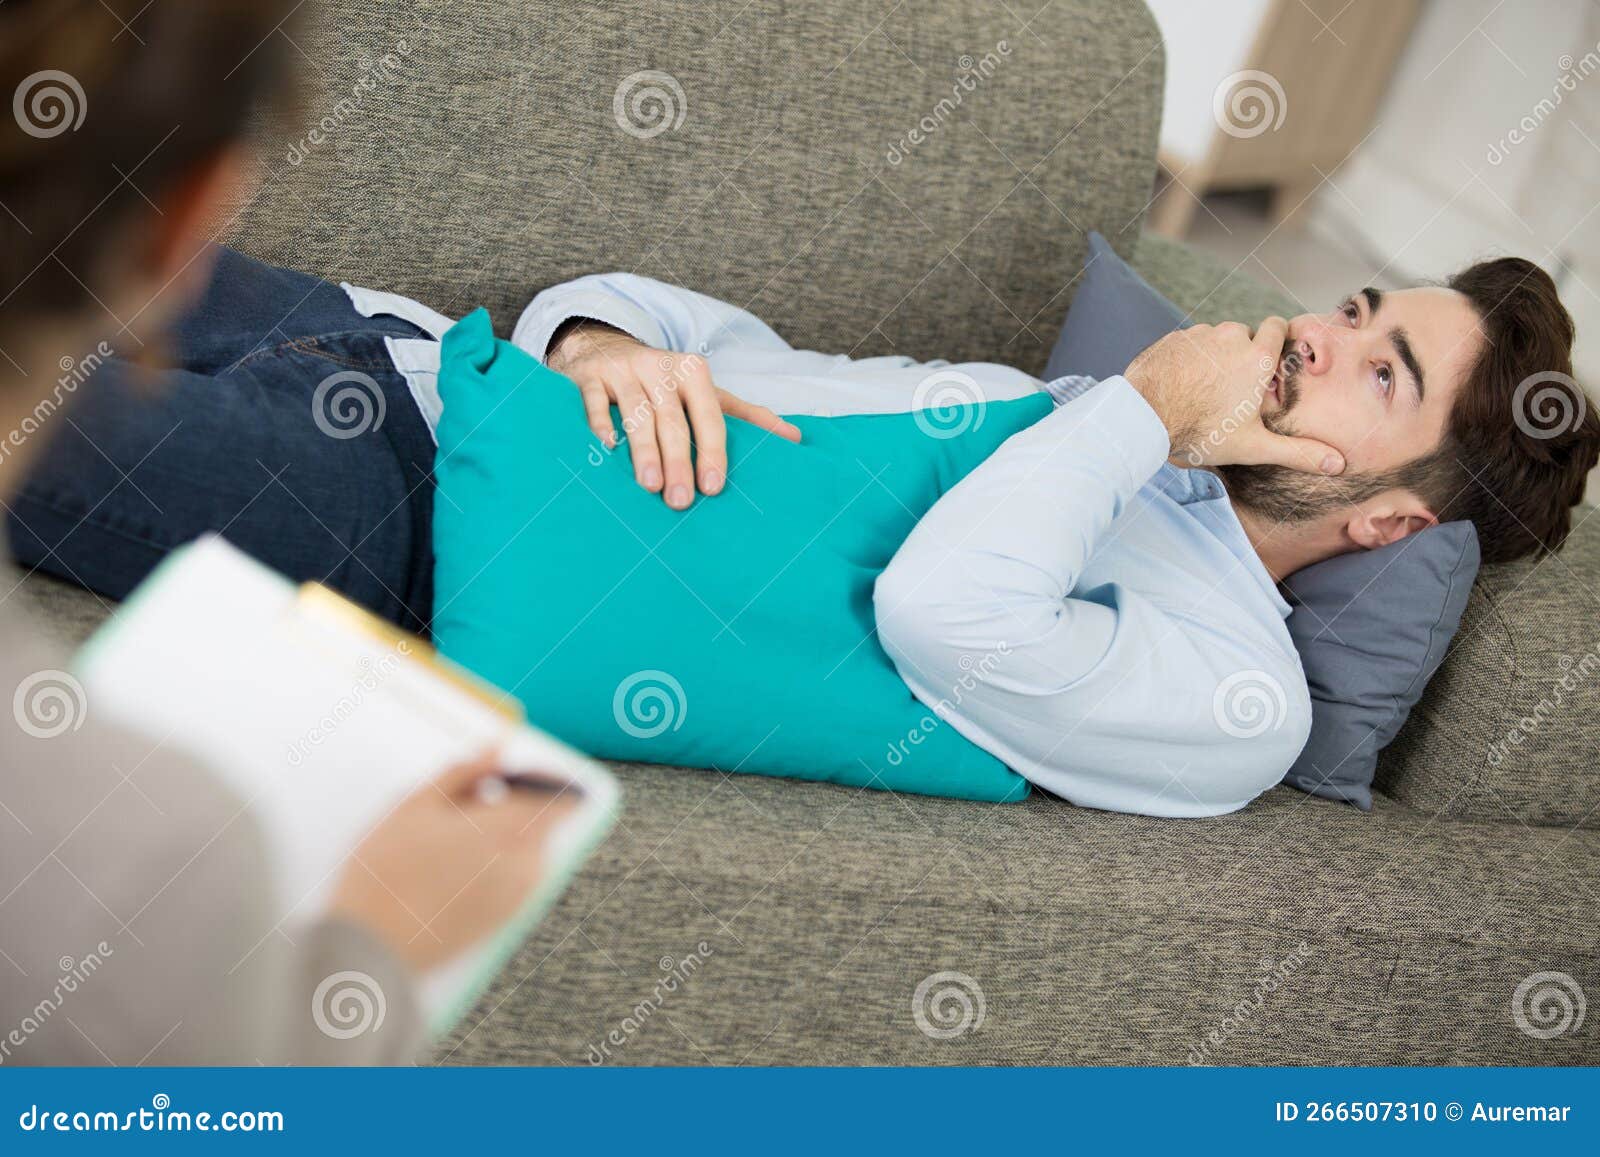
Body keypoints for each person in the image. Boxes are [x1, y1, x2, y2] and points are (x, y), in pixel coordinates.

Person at [15, 250, 1598, 818]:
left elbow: (943, 619)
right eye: (1355, 308)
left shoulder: (1233, 699)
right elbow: (715, 335)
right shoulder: (1060, 420)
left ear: (1397, 515)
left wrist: (1145, 412)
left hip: (394, 515)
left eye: (1379, 369)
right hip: (403, 350)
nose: (1319, 338)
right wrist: (601, 349)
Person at [0, 1, 576, 1064]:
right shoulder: (156, 852)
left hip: (421, 499)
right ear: (199, 216)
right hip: (417, 351)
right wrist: (380, 947)